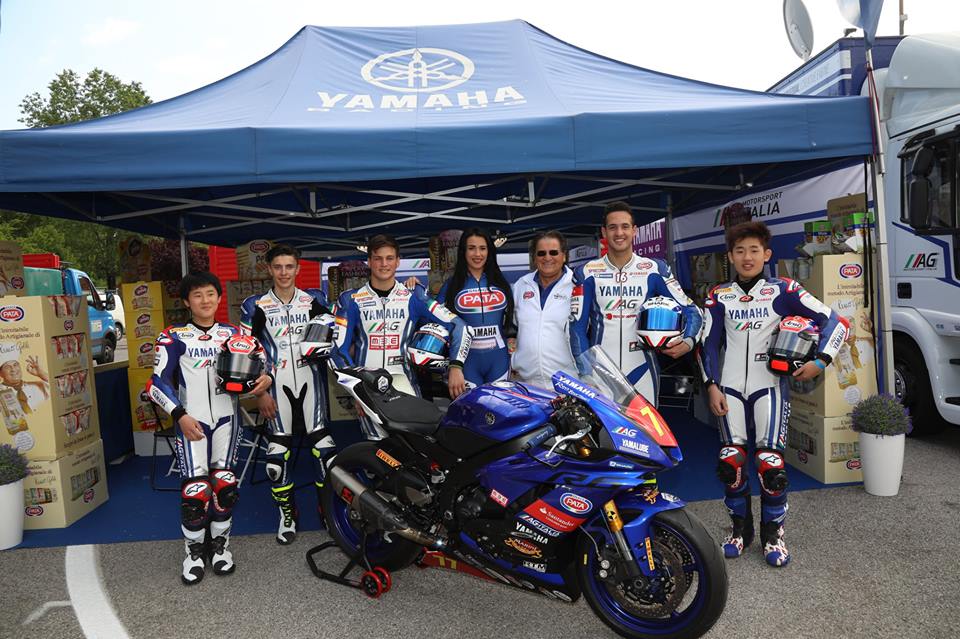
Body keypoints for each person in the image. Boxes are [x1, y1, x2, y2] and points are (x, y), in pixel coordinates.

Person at [699, 221, 848, 568]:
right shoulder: (719, 295)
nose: (747, 257)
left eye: (754, 250)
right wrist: (710, 385)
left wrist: (820, 361)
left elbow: (836, 322)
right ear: (730, 257)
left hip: (769, 386)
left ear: (766, 254)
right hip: (729, 388)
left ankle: (773, 535)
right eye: (739, 251)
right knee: (731, 461)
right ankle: (740, 530)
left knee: (770, 463)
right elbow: (707, 344)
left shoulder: (785, 290)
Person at [147, 271, 272, 585]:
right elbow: (157, 383)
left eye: (210, 294)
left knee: (225, 486)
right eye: (197, 295)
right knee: (196, 492)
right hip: (191, 421)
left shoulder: (234, 334)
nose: (205, 300)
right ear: (187, 302)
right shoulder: (173, 336)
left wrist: (265, 383)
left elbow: (262, 365)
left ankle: (220, 547)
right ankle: (193, 552)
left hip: (228, 420)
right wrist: (179, 415)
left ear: (219, 298)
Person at [240, 244, 336, 545]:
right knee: (275, 460)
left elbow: (336, 336)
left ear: (298, 268)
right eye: (278, 267)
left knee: (326, 453)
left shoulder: (315, 300)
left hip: (312, 384)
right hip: (274, 387)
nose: (284, 273)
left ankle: (327, 509)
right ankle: (287, 514)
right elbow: (246, 353)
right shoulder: (254, 305)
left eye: (289, 266)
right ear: (269, 269)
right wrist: (259, 393)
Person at [569, 201, 702, 405]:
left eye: (625, 226)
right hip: (600, 373)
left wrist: (688, 342)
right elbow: (576, 327)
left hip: (643, 369)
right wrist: (586, 373)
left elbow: (692, 311)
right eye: (612, 227)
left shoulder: (655, 269)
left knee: (647, 426)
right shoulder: (586, 272)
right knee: (602, 428)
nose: (619, 233)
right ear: (604, 232)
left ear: (634, 230)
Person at [335, 235, 471, 428]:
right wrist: (356, 390)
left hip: (405, 384)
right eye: (378, 258)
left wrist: (456, 367)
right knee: (376, 445)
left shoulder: (414, 296)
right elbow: (338, 350)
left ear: (398, 261)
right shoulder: (351, 300)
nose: (384, 264)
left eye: (389, 258)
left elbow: (460, 326)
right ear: (369, 262)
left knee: (412, 443)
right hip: (368, 389)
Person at [438, 228, 514, 389]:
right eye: (471, 248)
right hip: (466, 363)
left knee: (499, 405)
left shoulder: (501, 283)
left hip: (499, 360)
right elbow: (435, 321)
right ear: (463, 252)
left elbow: (515, 321)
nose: (477, 254)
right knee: (472, 406)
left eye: (482, 248)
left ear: (489, 251)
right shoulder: (451, 286)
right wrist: (454, 366)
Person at [510, 231, 576, 388]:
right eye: (541, 253)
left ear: (564, 256)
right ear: (534, 258)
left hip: (568, 383)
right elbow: (512, 327)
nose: (547, 258)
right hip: (527, 383)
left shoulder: (577, 285)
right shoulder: (521, 285)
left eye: (553, 252)